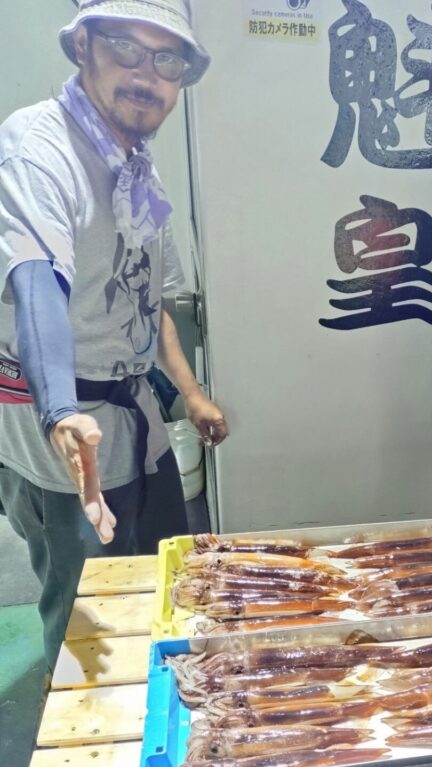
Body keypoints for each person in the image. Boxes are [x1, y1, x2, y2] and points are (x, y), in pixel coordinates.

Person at [0, 0, 228, 669]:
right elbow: (36, 281)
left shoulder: (137, 164)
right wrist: (59, 411)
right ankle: (82, 725)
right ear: (82, 48)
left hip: (134, 412)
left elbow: (148, 298)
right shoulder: (38, 149)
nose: (146, 74)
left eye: (167, 60)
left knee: (162, 577)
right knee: (87, 617)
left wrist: (189, 392)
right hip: (66, 432)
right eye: (125, 48)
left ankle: (159, 700)